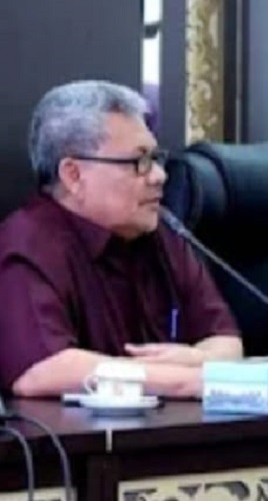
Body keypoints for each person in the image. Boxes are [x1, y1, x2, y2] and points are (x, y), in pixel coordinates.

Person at [0, 81, 242, 398]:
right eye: (139, 162)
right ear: (73, 175)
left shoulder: (162, 232)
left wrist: (197, 359)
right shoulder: (28, 243)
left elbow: (226, 342)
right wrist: (185, 380)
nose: (159, 176)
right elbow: (41, 370)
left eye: (156, 158)